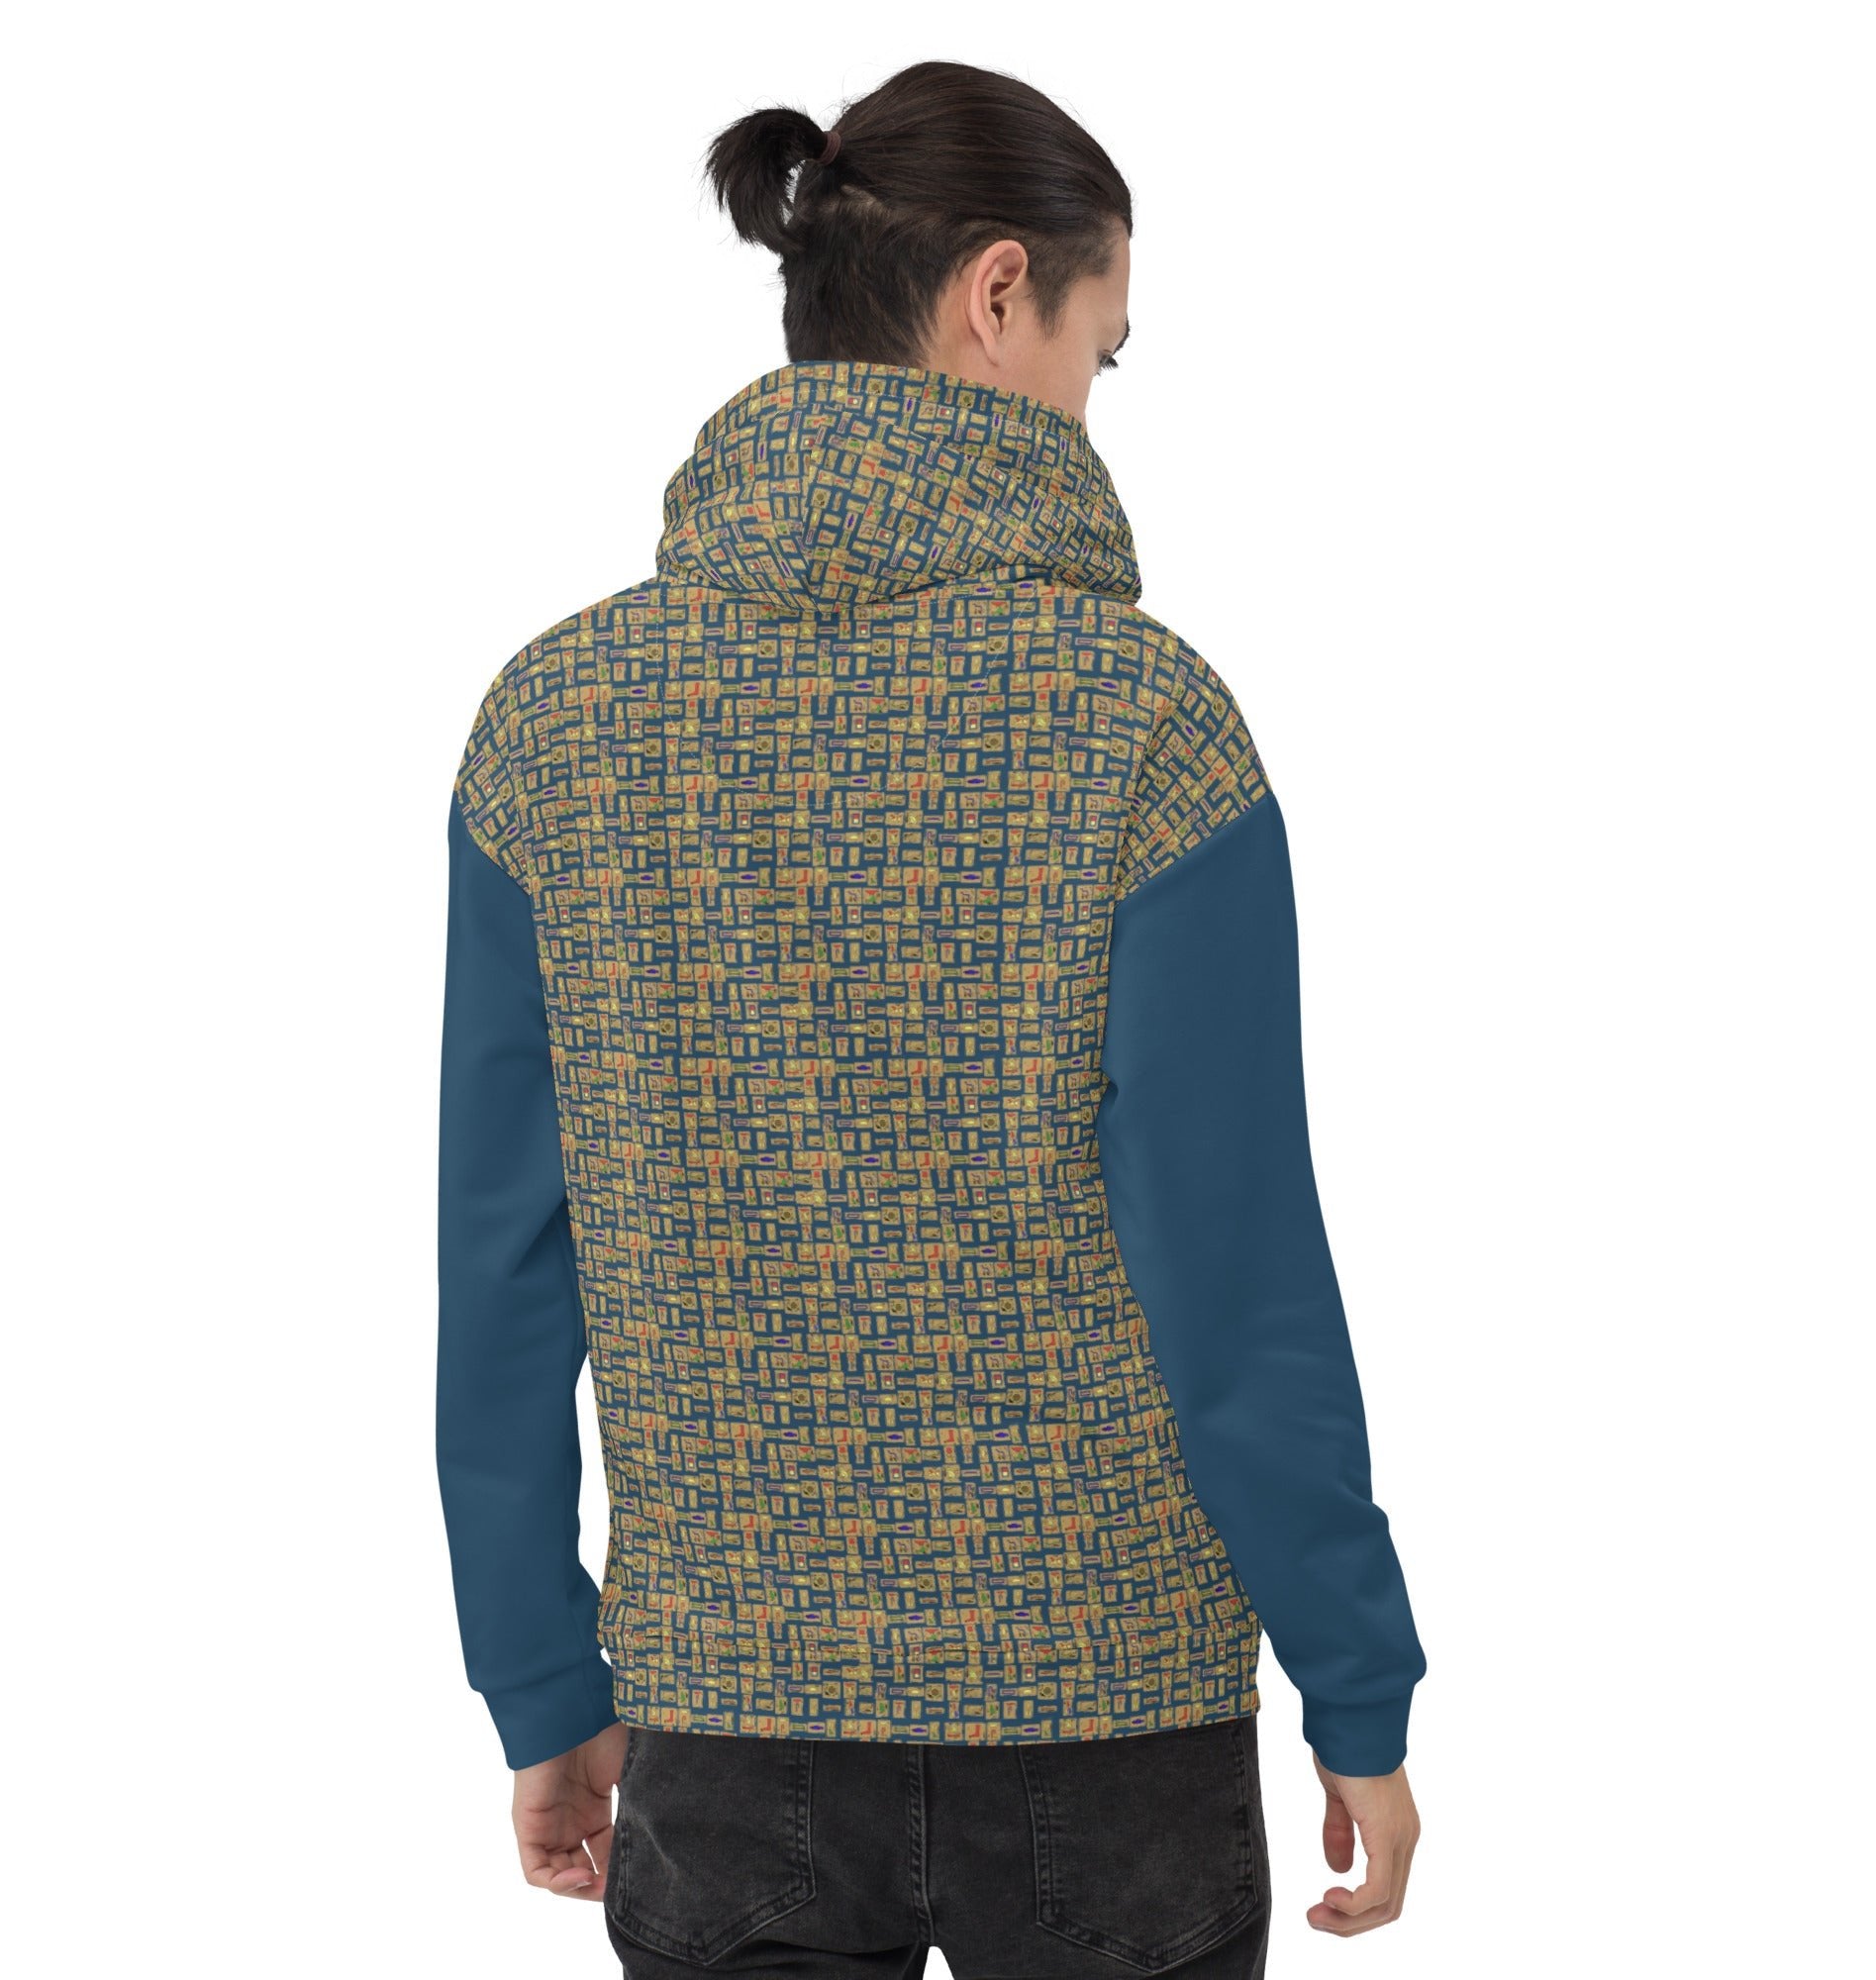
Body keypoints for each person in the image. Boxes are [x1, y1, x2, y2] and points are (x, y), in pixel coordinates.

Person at [438, 58, 1426, 1977]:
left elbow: (503, 1269)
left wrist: (540, 1679)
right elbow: (1235, 1281)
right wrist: (1357, 1684)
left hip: (727, 1713)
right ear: (996, 292)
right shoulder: (1140, 728)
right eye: (1101, 353)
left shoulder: (554, 729)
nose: (1095, 402)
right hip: (1109, 1715)